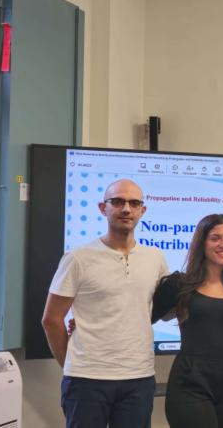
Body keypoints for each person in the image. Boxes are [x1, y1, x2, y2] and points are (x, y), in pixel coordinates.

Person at [41, 179, 169, 428]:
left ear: (143, 210)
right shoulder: (78, 258)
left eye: (134, 203)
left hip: (139, 377)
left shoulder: (156, 258)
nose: (126, 209)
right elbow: (51, 320)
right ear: (103, 208)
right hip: (86, 380)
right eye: (118, 202)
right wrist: (72, 363)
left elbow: (161, 310)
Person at [151, 213, 223, 428]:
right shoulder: (179, 285)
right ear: (202, 243)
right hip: (190, 382)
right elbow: (140, 318)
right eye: (215, 238)